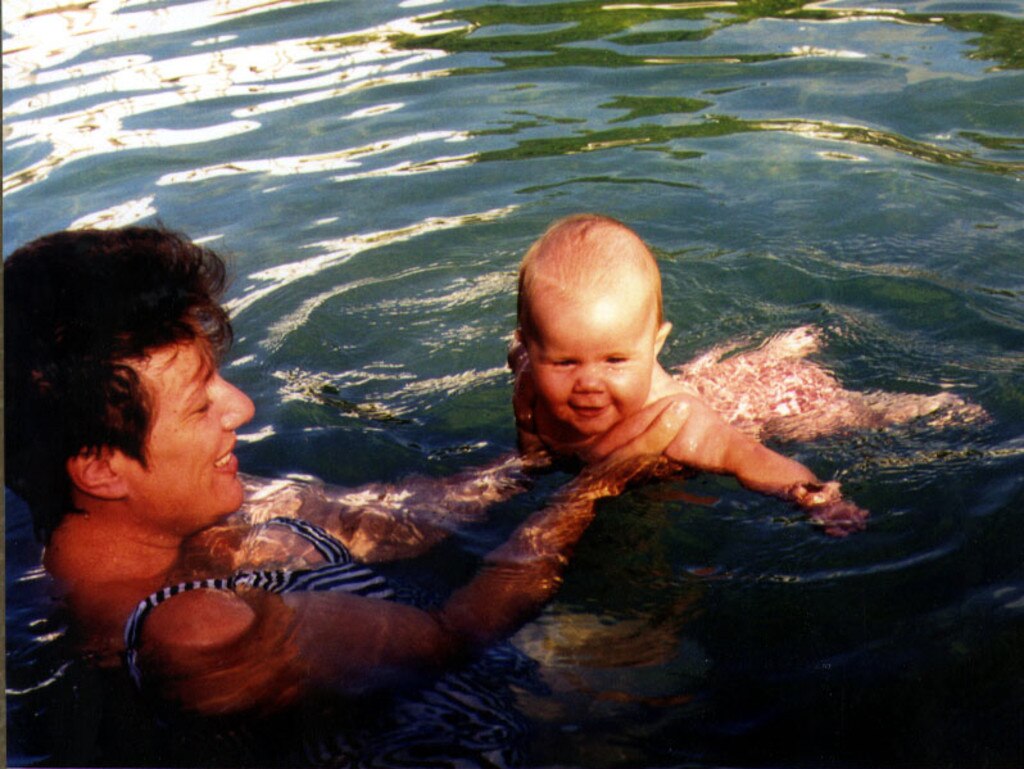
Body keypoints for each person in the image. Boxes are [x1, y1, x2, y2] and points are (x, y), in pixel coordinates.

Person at [3, 225, 682, 727]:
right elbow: (455, 635)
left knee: (706, 398)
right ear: (98, 466)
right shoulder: (193, 632)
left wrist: (534, 460)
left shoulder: (111, 539)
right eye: (203, 400)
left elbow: (398, 519)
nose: (241, 407)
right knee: (661, 661)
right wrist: (597, 483)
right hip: (483, 719)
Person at [509, 214, 976, 536]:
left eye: (615, 361)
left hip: (760, 406)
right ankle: (784, 345)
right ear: (530, 345)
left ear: (654, 347)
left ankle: (928, 406)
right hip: (707, 384)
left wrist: (813, 497)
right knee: (717, 376)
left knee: (842, 414)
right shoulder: (529, 373)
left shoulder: (676, 423)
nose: (589, 383)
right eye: (565, 362)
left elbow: (746, 456)